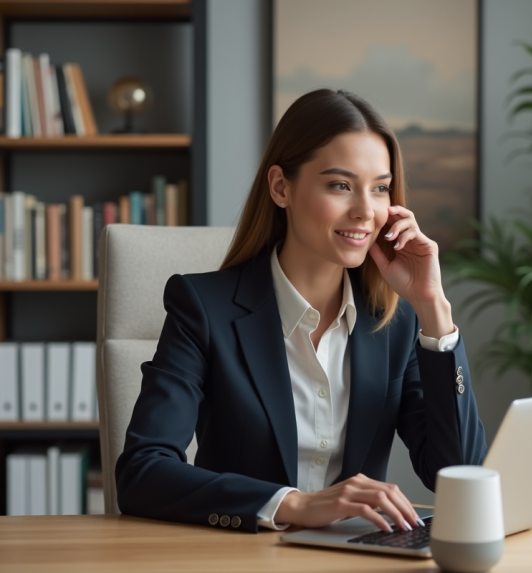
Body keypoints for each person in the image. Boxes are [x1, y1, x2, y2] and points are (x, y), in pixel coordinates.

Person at [115, 89, 487, 534]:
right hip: (241, 560)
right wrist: (293, 504)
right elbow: (142, 472)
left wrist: (433, 308)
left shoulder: (397, 324)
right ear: (280, 187)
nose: (366, 212)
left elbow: (461, 478)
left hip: (355, 563)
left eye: (381, 188)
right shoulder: (203, 309)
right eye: (340, 185)